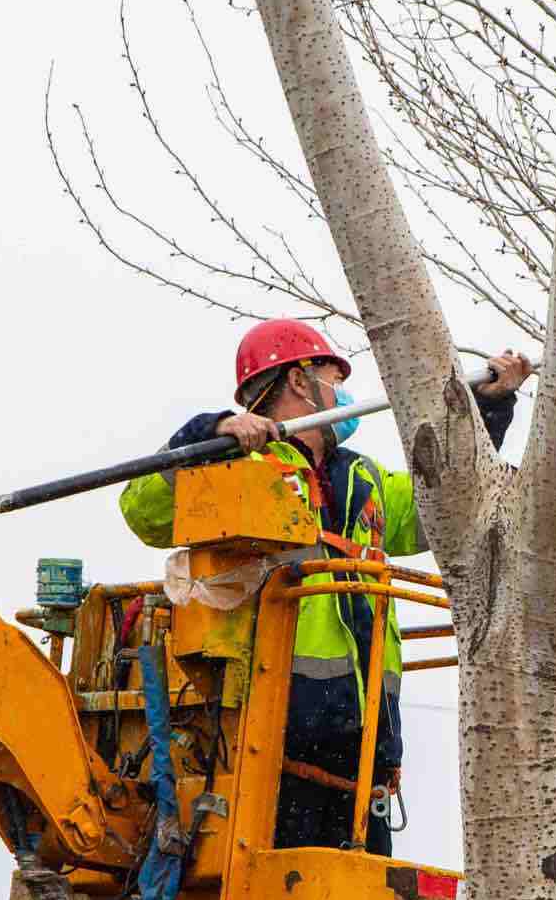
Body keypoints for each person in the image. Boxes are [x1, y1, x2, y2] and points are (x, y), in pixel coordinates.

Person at [120, 317, 531, 853]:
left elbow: (449, 509)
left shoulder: (364, 479)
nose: (342, 394)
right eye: (333, 377)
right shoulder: (239, 463)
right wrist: (209, 434)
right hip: (270, 730)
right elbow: (142, 510)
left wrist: (488, 410)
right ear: (298, 381)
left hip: (364, 746)